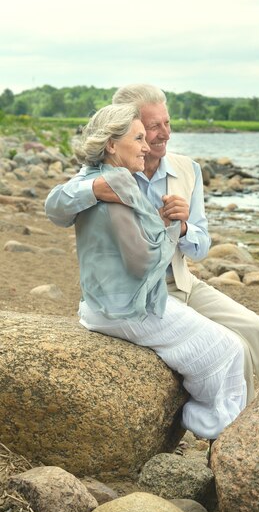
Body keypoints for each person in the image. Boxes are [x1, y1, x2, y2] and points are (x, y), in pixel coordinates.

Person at [45, 84, 259, 402]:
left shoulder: (188, 170)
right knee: (236, 348)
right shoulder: (101, 173)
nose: (162, 135)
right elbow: (55, 207)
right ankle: (238, 434)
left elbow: (201, 246)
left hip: (183, 283)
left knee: (258, 329)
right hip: (136, 295)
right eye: (151, 128)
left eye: (167, 123)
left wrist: (185, 226)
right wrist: (94, 190)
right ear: (128, 131)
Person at [63, 102, 247, 442]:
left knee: (229, 343)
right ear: (112, 145)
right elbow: (140, 261)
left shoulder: (101, 179)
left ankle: (216, 423)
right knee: (227, 349)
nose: (148, 145)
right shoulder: (115, 184)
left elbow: (126, 242)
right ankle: (214, 427)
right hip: (124, 305)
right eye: (139, 137)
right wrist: (173, 229)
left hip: (105, 302)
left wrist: (164, 223)